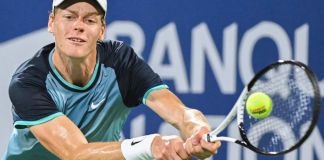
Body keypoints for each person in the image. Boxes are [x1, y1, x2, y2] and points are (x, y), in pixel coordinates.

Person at [3, 0, 221, 159]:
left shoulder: (121, 63)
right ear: (52, 23)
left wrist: (197, 130)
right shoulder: (29, 82)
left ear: (102, 30)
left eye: (89, 20)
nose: (78, 26)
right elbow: (76, 154)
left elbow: (180, 113)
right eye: (69, 17)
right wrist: (148, 146)